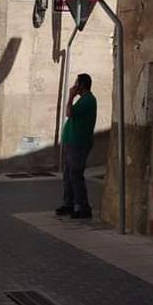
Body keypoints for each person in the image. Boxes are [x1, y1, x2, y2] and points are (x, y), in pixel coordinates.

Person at [56, 74, 97, 219]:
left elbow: (69, 112)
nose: (74, 86)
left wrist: (70, 97)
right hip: (71, 142)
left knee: (75, 175)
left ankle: (84, 207)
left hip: (79, 143)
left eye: (76, 83)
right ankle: (69, 204)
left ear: (82, 85)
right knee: (68, 175)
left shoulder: (88, 100)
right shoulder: (83, 100)